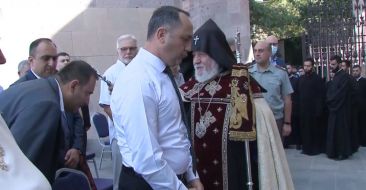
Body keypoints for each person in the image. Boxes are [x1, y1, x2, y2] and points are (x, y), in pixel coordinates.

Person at [180, 19, 294, 190]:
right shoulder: (190, 88)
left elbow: (263, 134)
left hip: (235, 173)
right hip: (196, 176)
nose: (196, 60)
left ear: (216, 53)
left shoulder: (240, 82)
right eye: (194, 54)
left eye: (202, 54)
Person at [110, 6, 203, 190]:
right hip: (148, 184)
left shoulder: (163, 73)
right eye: (185, 39)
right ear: (161, 35)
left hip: (171, 181)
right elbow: (147, 159)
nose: (188, 48)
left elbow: (177, 131)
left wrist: (191, 175)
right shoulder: (138, 80)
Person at [0, 61, 98, 183]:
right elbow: (26, 168)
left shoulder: (41, 89)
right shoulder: (47, 105)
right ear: (73, 86)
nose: (86, 102)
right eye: (88, 93)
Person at [99, 34, 138, 190]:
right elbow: (106, 106)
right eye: (124, 49)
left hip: (142, 135)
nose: (128, 52)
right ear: (117, 51)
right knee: (120, 180)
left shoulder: (142, 70)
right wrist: (127, 128)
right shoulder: (111, 73)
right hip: (122, 136)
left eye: (132, 48)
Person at [249, 41, 293, 142]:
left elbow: (287, 100)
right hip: (254, 121)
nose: (257, 54)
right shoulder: (248, 72)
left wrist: (287, 123)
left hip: (275, 120)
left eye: (261, 51)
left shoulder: (281, 73)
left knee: (276, 155)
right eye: (255, 51)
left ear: (269, 53)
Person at [326, 55, 355, 160]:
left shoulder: (343, 76)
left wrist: (330, 100)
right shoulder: (336, 76)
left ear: (339, 64)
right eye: (330, 64)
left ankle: (342, 152)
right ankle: (334, 151)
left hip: (341, 109)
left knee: (341, 131)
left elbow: (341, 93)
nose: (331, 66)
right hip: (335, 108)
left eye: (333, 64)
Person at [298, 58, 326, 155]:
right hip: (303, 109)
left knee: (314, 129)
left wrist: (319, 109)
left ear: (312, 66)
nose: (306, 68)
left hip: (313, 110)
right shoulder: (301, 78)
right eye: (305, 66)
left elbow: (320, 96)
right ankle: (306, 148)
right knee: (305, 129)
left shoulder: (317, 79)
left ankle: (314, 149)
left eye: (308, 66)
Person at [284, 64, 301, 149]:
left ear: (292, 69)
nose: (287, 69)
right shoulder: (283, 79)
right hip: (284, 106)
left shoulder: (296, 80)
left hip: (294, 105)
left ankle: (298, 142)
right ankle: (286, 143)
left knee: (295, 125)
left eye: (289, 68)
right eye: (286, 68)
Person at [352, 65, 366, 146]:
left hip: (363, 107)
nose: (355, 72)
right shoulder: (351, 81)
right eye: (353, 71)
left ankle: (363, 141)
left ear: (360, 71)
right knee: (355, 124)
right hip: (354, 107)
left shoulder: (364, 81)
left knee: (363, 124)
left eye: (356, 71)